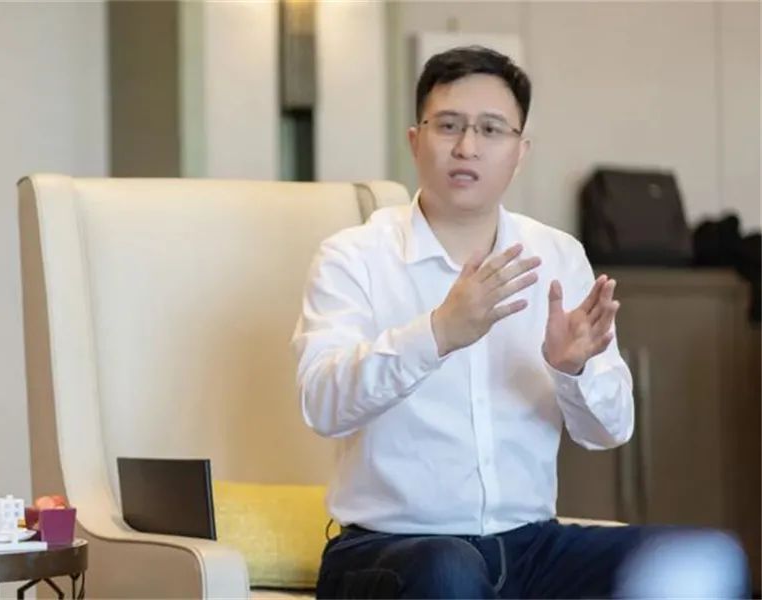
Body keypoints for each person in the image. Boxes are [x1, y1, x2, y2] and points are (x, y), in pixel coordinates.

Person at [290, 46, 748, 599]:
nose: (467, 146)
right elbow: (322, 404)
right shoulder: (354, 256)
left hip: (530, 547)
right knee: (449, 569)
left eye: (491, 129)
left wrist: (573, 370)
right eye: (448, 126)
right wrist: (438, 333)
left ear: (520, 151)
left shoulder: (556, 255)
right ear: (415, 140)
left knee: (705, 557)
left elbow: (609, 431)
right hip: (389, 547)